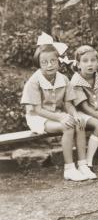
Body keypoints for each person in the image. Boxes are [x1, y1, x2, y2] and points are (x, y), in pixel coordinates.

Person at [21, 37, 91, 181]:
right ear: (39, 64)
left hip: (57, 114)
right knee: (68, 127)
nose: (49, 65)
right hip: (38, 118)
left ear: (58, 61)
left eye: (53, 61)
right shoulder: (34, 82)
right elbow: (38, 110)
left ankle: (83, 165)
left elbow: (68, 104)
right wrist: (61, 118)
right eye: (44, 62)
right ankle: (69, 168)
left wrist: (75, 114)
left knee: (79, 123)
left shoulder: (63, 79)